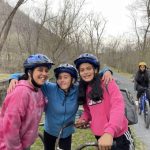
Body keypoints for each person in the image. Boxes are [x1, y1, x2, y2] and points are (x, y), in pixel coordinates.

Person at [8, 63, 113, 150]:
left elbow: (92, 74)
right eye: (59, 77)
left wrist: (107, 71)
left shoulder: (78, 89)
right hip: (50, 131)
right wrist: (14, 78)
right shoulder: (49, 88)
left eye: (66, 77)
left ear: (73, 79)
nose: (62, 80)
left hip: (66, 133)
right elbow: (31, 75)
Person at [74, 53, 134, 150]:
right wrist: (84, 119)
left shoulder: (107, 82)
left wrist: (109, 132)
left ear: (96, 70)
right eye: (82, 70)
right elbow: (88, 111)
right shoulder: (84, 88)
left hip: (119, 136)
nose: (85, 72)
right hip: (100, 137)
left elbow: (118, 106)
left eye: (88, 68)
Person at [0, 54, 54, 150]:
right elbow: (10, 128)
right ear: (29, 72)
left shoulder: (38, 91)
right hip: (10, 146)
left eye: (46, 70)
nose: (44, 73)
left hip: (24, 144)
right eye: (40, 70)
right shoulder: (20, 92)